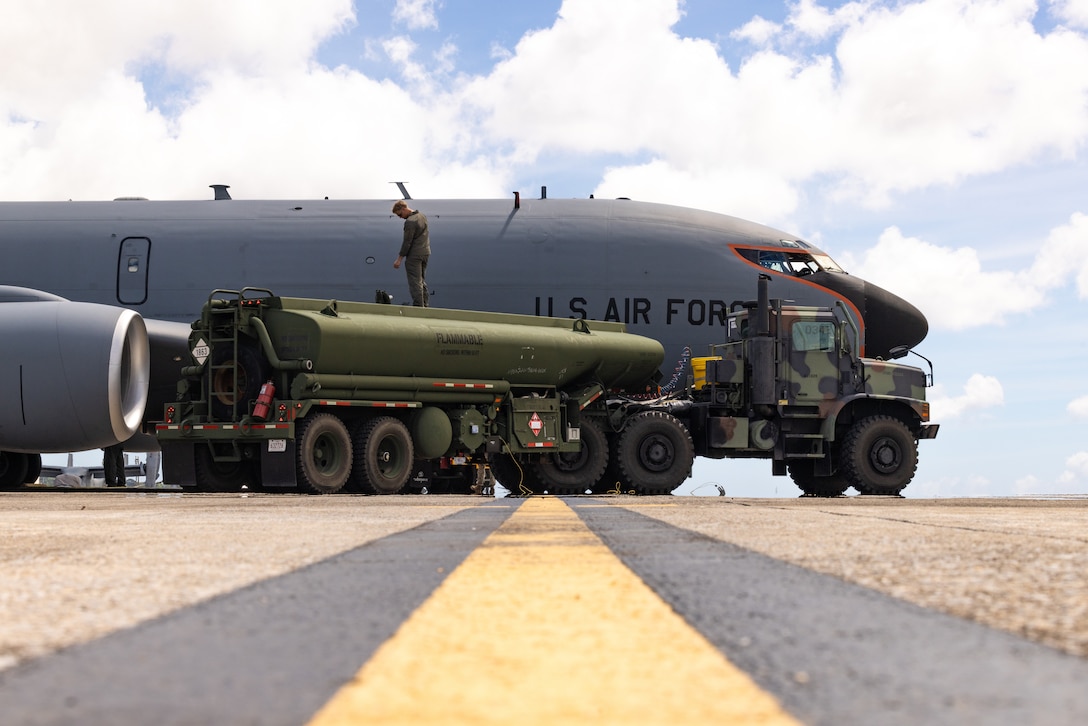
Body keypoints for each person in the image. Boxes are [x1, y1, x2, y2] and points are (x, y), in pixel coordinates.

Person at [391, 199, 430, 307]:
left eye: (399, 214)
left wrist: (399, 259)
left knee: (415, 282)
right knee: (422, 281)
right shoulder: (422, 216)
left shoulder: (410, 222)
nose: (400, 217)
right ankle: (425, 305)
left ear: (403, 209)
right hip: (425, 252)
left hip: (414, 255)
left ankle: (418, 307)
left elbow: (407, 242)